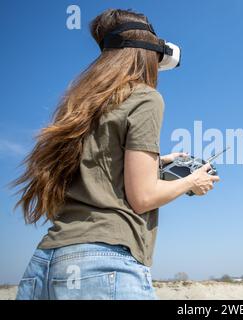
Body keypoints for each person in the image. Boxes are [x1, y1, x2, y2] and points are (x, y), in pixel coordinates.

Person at [12, 8, 219, 300]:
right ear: (146, 55)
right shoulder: (146, 97)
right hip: (103, 265)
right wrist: (191, 181)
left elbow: (98, 163)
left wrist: (160, 161)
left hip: (45, 266)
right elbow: (143, 196)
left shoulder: (82, 102)